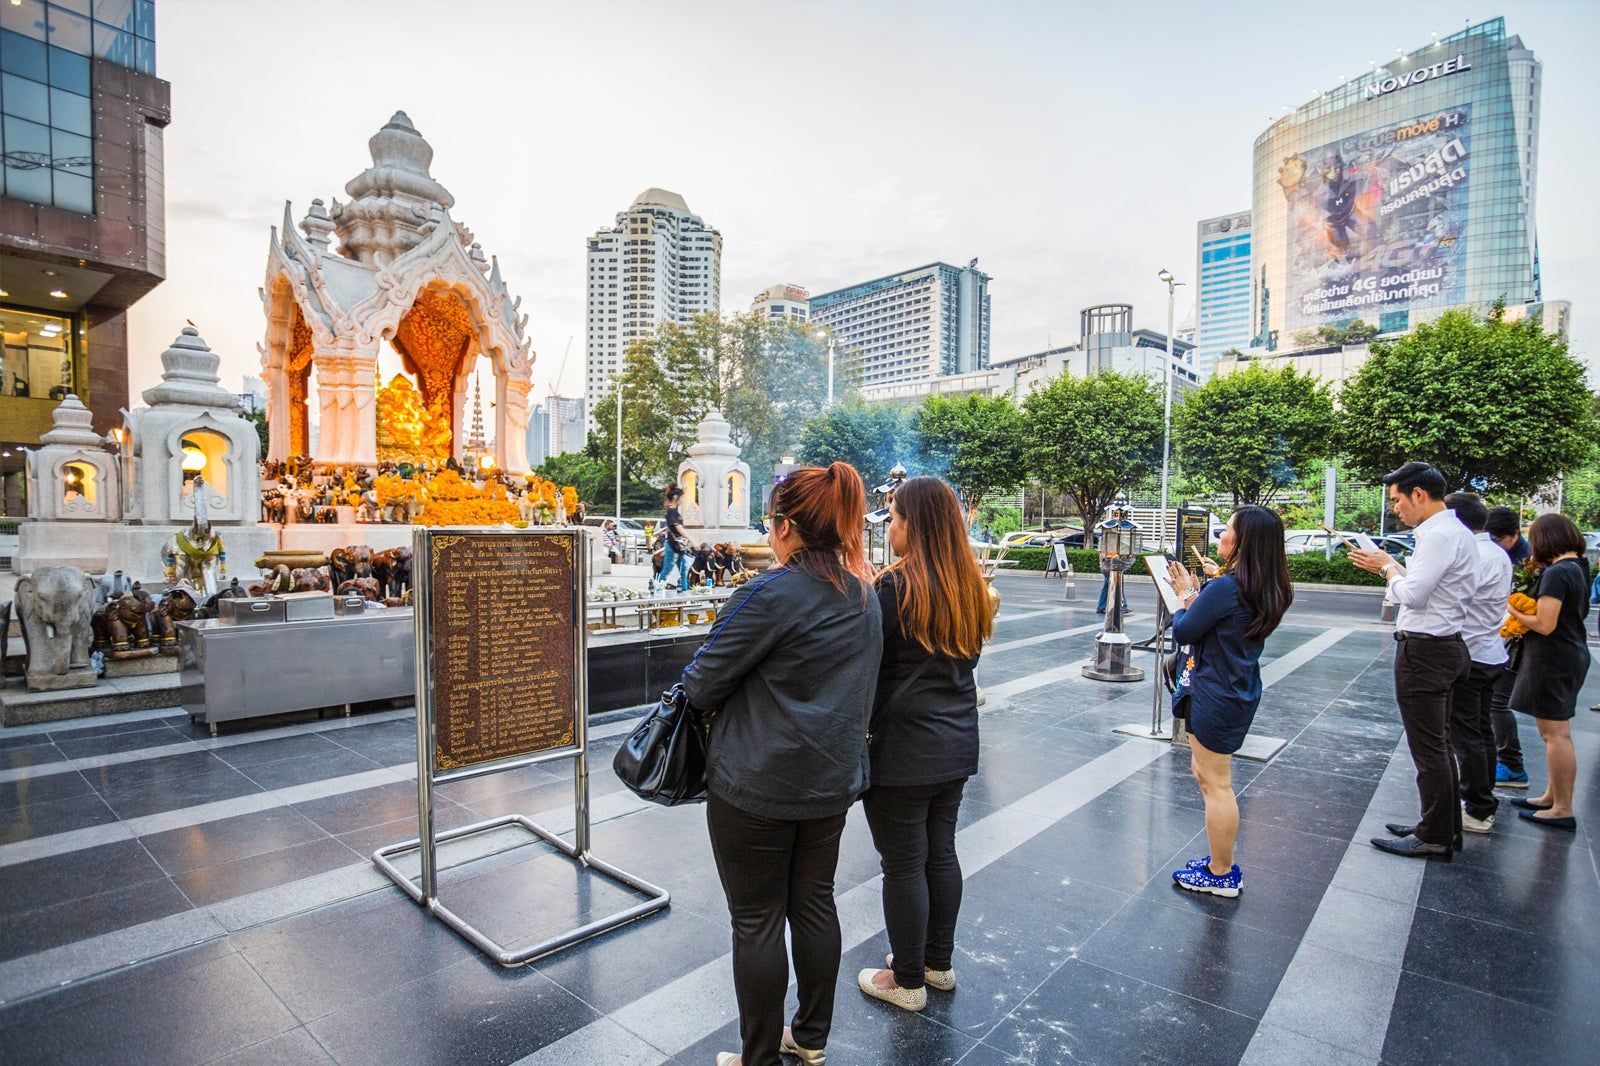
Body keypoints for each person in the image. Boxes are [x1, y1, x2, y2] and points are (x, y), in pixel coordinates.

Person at [681, 462, 883, 1066]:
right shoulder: (863, 596)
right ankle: (812, 1038)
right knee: (815, 903)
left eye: (772, 522)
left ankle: (760, 1057)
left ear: (788, 527)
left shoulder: (768, 594)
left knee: (757, 920)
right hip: (828, 784)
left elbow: (700, 683)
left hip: (757, 784)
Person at [856, 477, 992, 1012]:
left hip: (903, 750)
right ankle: (937, 963)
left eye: (893, 516)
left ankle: (907, 980)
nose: (890, 526)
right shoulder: (969, 585)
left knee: (904, 865)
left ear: (915, 523)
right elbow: (970, 661)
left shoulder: (894, 589)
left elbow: (869, 664)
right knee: (942, 853)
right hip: (956, 744)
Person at [1163, 506, 1293, 896]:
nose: (1220, 537)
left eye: (1227, 531)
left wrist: (1186, 595)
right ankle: (1220, 863)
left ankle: (1221, 873)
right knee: (1209, 777)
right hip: (1237, 688)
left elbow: (1185, 629)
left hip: (1215, 692)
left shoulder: (1227, 589)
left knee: (1216, 784)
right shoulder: (1266, 587)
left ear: (1243, 541)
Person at [1351, 462, 1477, 861]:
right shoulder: (1455, 532)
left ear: (1418, 494)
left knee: (1429, 749)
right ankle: (1439, 825)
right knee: (1438, 744)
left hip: (1427, 651)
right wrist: (1395, 570)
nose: (1395, 510)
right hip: (1444, 646)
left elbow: (1414, 596)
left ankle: (1435, 834)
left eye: (1397, 500)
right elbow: (1428, 588)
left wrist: (1387, 568)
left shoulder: (1438, 536)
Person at [1504, 514, 1590, 832]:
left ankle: (1562, 808)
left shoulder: (1557, 573)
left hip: (1554, 660)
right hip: (1566, 656)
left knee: (1556, 735)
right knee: (1552, 733)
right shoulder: (1578, 567)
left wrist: (1512, 609)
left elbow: (1544, 623)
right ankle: (1551, 797)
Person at [1442, 492, 1511, 834]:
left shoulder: (1474, 554)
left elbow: (1450, 602)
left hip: (1471, 652)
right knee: (1481, 732)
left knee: (1465, 735)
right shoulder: (1495, 552)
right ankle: (1482, 801)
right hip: (1488, 651)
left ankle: (1478, 807)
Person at [1484, 506, 1532, 785]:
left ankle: (1512, 765)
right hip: (1501, 638)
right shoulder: (1506, 554)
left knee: (1497, 703)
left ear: (1514, 534)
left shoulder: (1527, 562)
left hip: (1513, 641)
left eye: (1499, 540)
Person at [660, 484, 690, 592]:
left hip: (677, 545)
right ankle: (657, 590)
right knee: (667, 568)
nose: (682, 500)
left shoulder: (674, 511)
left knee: (683, 569)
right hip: (673, 545)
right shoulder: (672, 512)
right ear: (676, 498)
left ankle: (686, 592)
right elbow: (679, 528)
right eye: (681, 498)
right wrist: (692, 541)